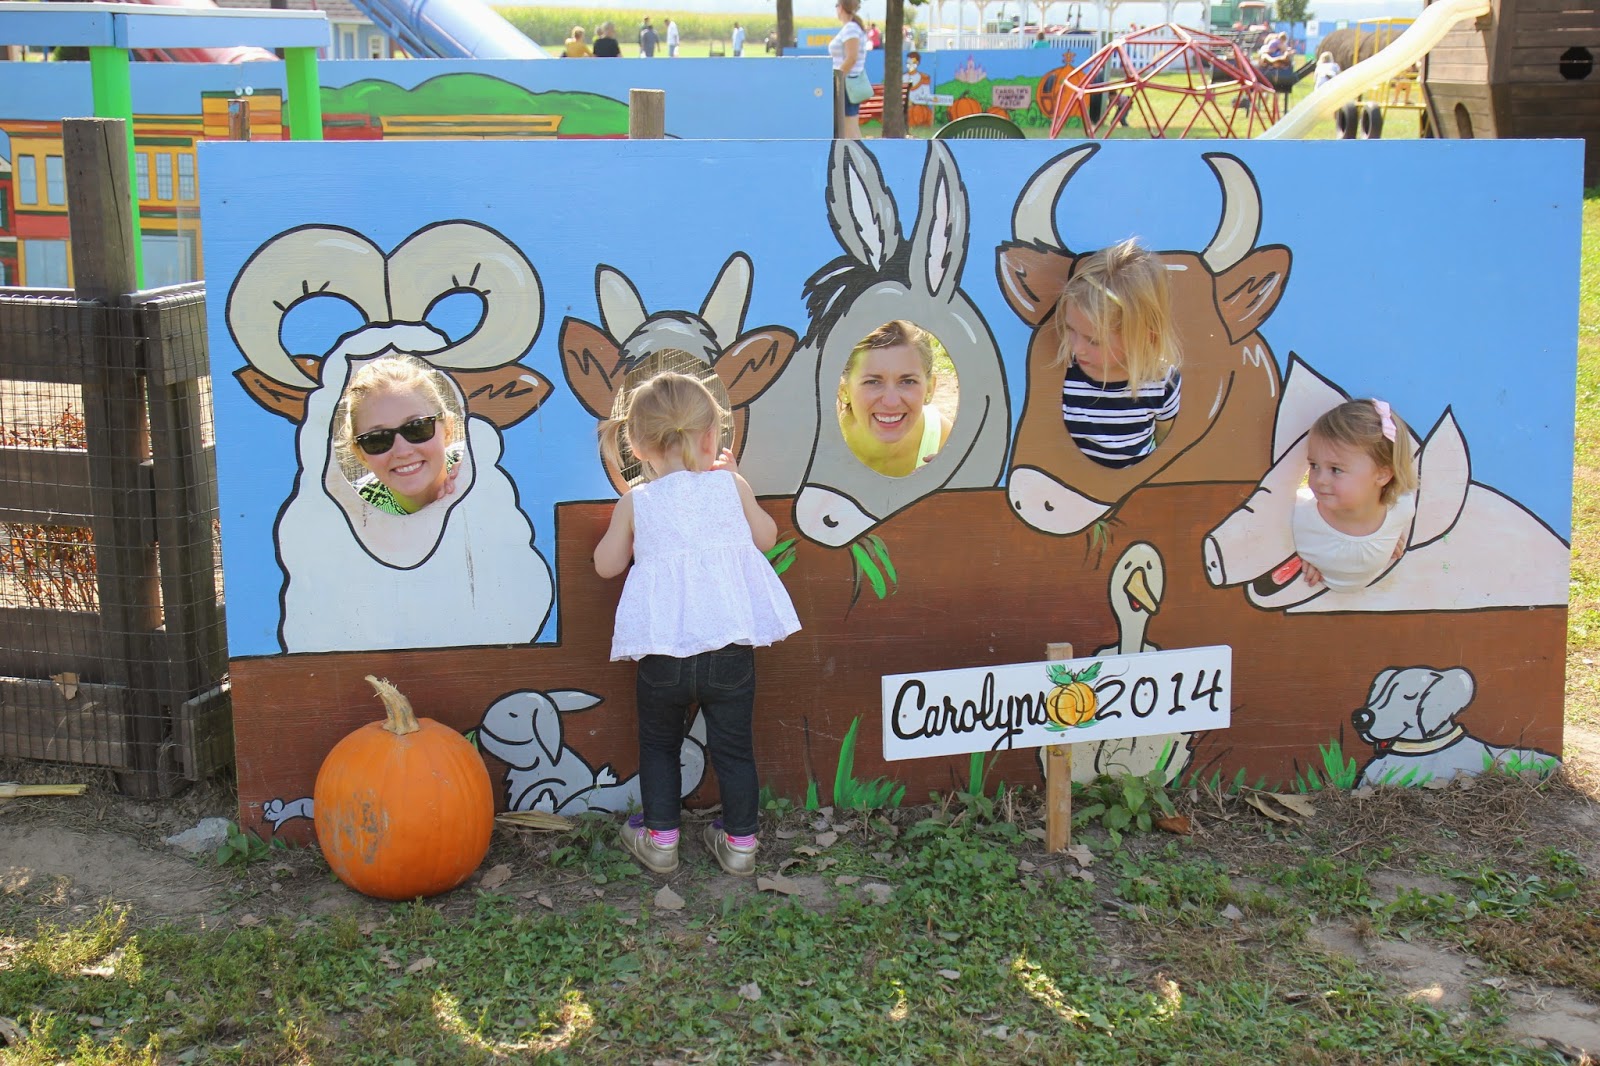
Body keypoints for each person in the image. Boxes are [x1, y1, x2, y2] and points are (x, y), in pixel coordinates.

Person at [595, 371, 801, 877]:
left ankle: (661, 841)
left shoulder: (637, 501)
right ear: (713, 437)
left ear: (638, 446)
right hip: (728, 650)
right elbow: (767, 538)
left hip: (663, 656)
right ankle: (740, 845)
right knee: (734, 750)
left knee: (659, 746)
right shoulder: (730, 486)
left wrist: (629, 522)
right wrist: (740, 484)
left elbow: (606, 565)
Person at [1054, 238, 1182, 468]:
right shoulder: (1065, 375)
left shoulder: (1162, 382)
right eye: (1070, 329)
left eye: (1094, 341)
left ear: (1143, 337)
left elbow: (1167, 441)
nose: (1076, 347)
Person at [1293, 399, 1419, 590]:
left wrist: (1389, 538)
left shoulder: (1402, 509)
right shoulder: (1298, 518)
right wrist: (1293, 560)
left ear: (1382, 475)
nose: (1320, 479)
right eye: (1314, 465)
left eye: (1336, 469)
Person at [336, 355, 462, 515]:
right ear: (361, 454)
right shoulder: (351, 510)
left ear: (448, 429)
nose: (402, 452)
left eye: (416, 427)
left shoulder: (479, 465)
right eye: (377, 439)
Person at [837, 320, 953, 478]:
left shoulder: (944, 442)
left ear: (930, 388)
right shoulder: (815, 442)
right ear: (843, 389)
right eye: (873, 382)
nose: (891, 402)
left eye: (908, 381)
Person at [830, 0, 869, 139]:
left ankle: (856, 153)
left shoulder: (850, 28)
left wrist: (837, 78)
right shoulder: (852, 27)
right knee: (850, 127)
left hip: (846, 84)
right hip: (849, 82)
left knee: (849, 129)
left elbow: (851, 58)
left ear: (841, 7)